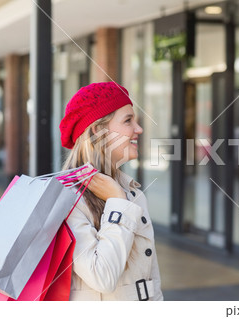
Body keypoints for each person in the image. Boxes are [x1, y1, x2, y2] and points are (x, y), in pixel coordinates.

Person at [59, 81, 163, 301]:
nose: (139, 129)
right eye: (128, 120)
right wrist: (117, 201)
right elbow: (101, 277)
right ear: (98, 131)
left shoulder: (133, 193)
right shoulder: (68, 199)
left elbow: (150, 282)